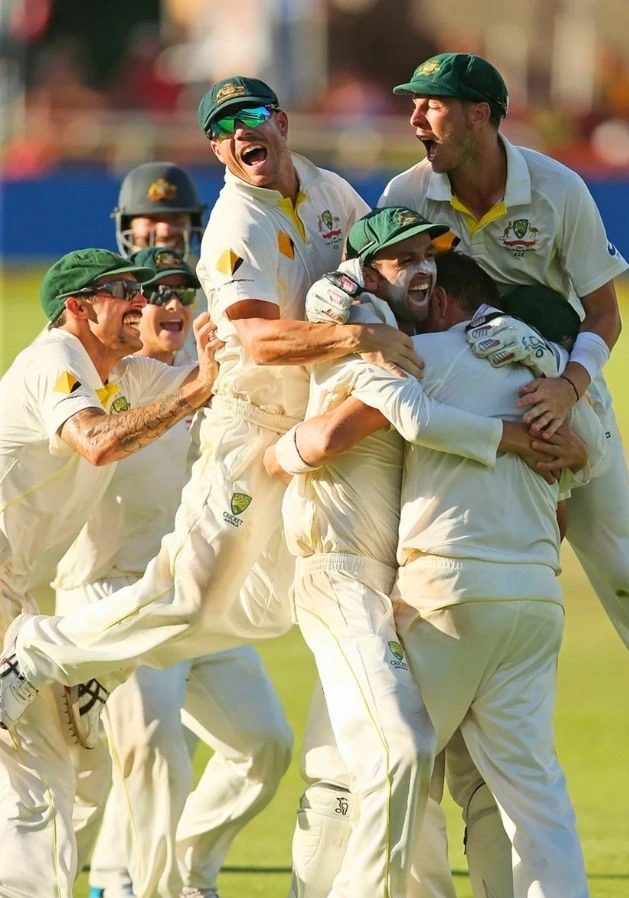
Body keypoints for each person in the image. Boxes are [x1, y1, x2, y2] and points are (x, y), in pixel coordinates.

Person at [0, 76, 416, 741]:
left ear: (280, 121)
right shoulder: (234, 223)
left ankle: (97, 665)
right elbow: (254, 338)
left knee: (268, 606)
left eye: (249, 116)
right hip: (248, 428)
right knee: (187, 591)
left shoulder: (330, 190)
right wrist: (359, 334)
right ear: (217, 151)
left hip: (300, 431)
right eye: (221, 130)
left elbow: (374, 262)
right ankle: (38, 651)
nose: (237, 134)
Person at [277, 248, 609, 898]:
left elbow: (340, 431)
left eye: (426, 298)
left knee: (405, 776)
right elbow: (583, 465)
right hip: (535, 600)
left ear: (455, 301)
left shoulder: (423, 354)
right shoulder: (556, 380)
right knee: (524, 795)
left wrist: (277, 449)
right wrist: (552, 399)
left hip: (445, 591)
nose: (414, 311)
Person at [381, 52, 629, 715]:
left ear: (480, 115)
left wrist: (569, 390)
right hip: (464, 408)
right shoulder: (407, 196)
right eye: (415, 105)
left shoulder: (557, 190)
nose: (414, 119)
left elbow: (605, 313)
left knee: (624, 566)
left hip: (556, 389)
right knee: (451, 569)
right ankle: (419, 726)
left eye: (431, 105)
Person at [52, 247, 291, 898]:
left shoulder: (205, 373)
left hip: (193, 596)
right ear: (127, 308)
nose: (170, 304)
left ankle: (189, 870)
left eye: (183, 291)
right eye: (152, 293)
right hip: (113, 595)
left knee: (264, 744)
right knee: (143, 756)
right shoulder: (105, 380)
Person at [0, 248, 219, 898]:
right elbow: (96, 439)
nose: (138, 300)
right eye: (118, 291)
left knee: (48, 771)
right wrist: (195, 393)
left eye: (139, 289)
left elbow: (216, 384)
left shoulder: (124, 374)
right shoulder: (55, 359)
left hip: (18, 598)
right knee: (37, 775)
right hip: (4, 598)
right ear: (75, 308)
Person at [113, 161, 207, 257]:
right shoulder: (111, 272)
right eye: (152, 218)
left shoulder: (209, 272)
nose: (165, 231)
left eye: (176, 218)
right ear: (127, 225)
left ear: (192, 223)